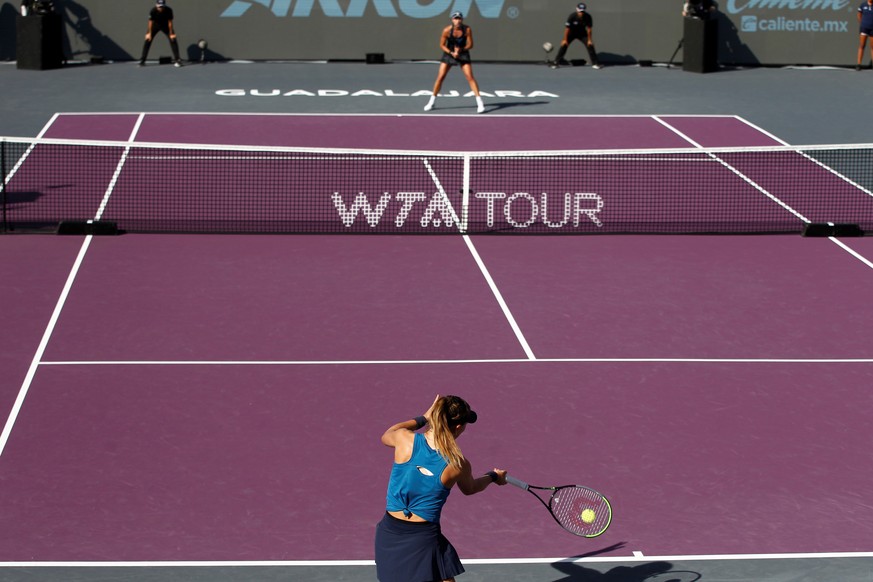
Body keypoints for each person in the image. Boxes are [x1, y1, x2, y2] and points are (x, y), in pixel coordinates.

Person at [375, 395, 507, 582]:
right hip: (423, 538)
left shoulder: (404, 439)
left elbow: (388, 433)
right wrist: (494, 477)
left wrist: (423, 418)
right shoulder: (456, 463)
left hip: (389, 533)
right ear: (459, 427)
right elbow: (471, 488)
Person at [423, 12, 486, 113]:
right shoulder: (447, 30)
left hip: (463, 53)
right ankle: (431, 102)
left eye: (459, 18)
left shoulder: (467, 29)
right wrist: (452, 53)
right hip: (449, 53)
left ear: (462, 20)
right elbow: (442, 45)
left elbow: (470, 45)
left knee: (470, 77)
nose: (457, 20)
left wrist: (461, 50)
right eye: (455, 18)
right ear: (452, 20)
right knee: (440, 77)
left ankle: (480, 103)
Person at [551, 3, 601, 69]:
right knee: (564, 45)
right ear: (577, 10)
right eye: (580, 11)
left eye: (582, 11)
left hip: (582, 34)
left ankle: (595, 64)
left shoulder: (588, 17)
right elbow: (567, 29)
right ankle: (556, 63)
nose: (581, 13)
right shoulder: (572, 16)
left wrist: (589, 40)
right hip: (571, 33)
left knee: (590, 45)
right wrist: (565, 39)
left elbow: (589, 29)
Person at [139, 0, 182, 67]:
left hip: (166, 26)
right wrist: (149, 33)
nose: (160, 8)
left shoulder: (169, 10)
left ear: (164, 6)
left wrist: (171, 33)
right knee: (147, 40)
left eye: (162, 7)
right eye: (159, 7)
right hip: (155, 26)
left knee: (173, 39)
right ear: (156, 5)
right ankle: (142, 60)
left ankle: (178, 60)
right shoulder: (153, 11)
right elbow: (150, 22)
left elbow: (170, 22)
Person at [858, 0, 873, 70]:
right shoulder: (863, 5)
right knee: (861, 46)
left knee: (872, 47)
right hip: (864, 28)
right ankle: (859, 64)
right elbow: (859, 15)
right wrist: (862, 24)